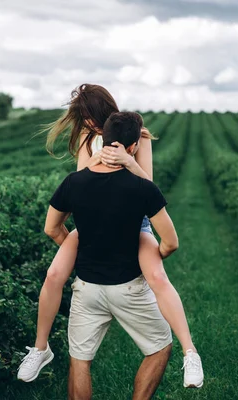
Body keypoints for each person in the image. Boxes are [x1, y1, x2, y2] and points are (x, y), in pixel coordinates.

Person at [17, 85, 203, 389]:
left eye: (91, 117)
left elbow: (149, 188)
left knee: (156, 276)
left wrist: (129, 163)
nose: (87, 123)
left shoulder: (138, 136)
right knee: (53, 274)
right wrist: (96, 162)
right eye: (83, 118)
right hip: (92, 222)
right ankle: (40, 348)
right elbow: (82, 182)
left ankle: (190, 353)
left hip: (135, 221)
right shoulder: (86, 138)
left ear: (104, 110)